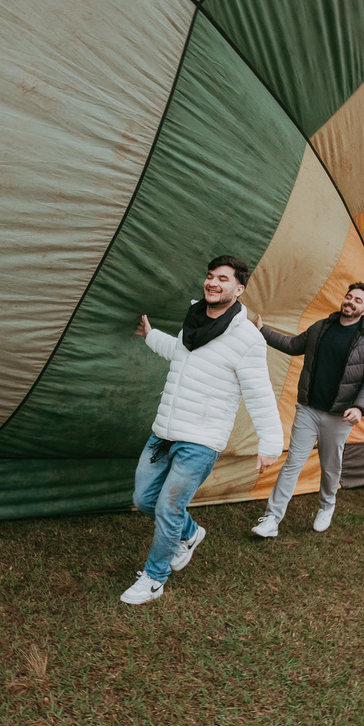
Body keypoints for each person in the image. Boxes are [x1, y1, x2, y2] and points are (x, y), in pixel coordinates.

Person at [121, 255, 283, 605]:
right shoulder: (194, 319)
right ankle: (190, 533)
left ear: (239, 289)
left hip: (201, 441)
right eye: (211, 276)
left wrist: (270, 444)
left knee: (168, 508)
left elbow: (259, 394)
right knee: (144, 499)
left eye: (223, 279)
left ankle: (154, 578)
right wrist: (151, 336)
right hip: (165, 431)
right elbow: (180, 353)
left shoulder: (247, 339)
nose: (213, 282)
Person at [249, 283, 364, 537]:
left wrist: (359, 407)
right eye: (349, 297)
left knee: (330, 467)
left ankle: (327, 505)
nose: (350, 302)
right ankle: (272, 519)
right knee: (292, 463)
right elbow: (293, 345)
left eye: (358, 300)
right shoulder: (322, 327)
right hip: (308, 409)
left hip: (340, 416)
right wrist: (262, 332)